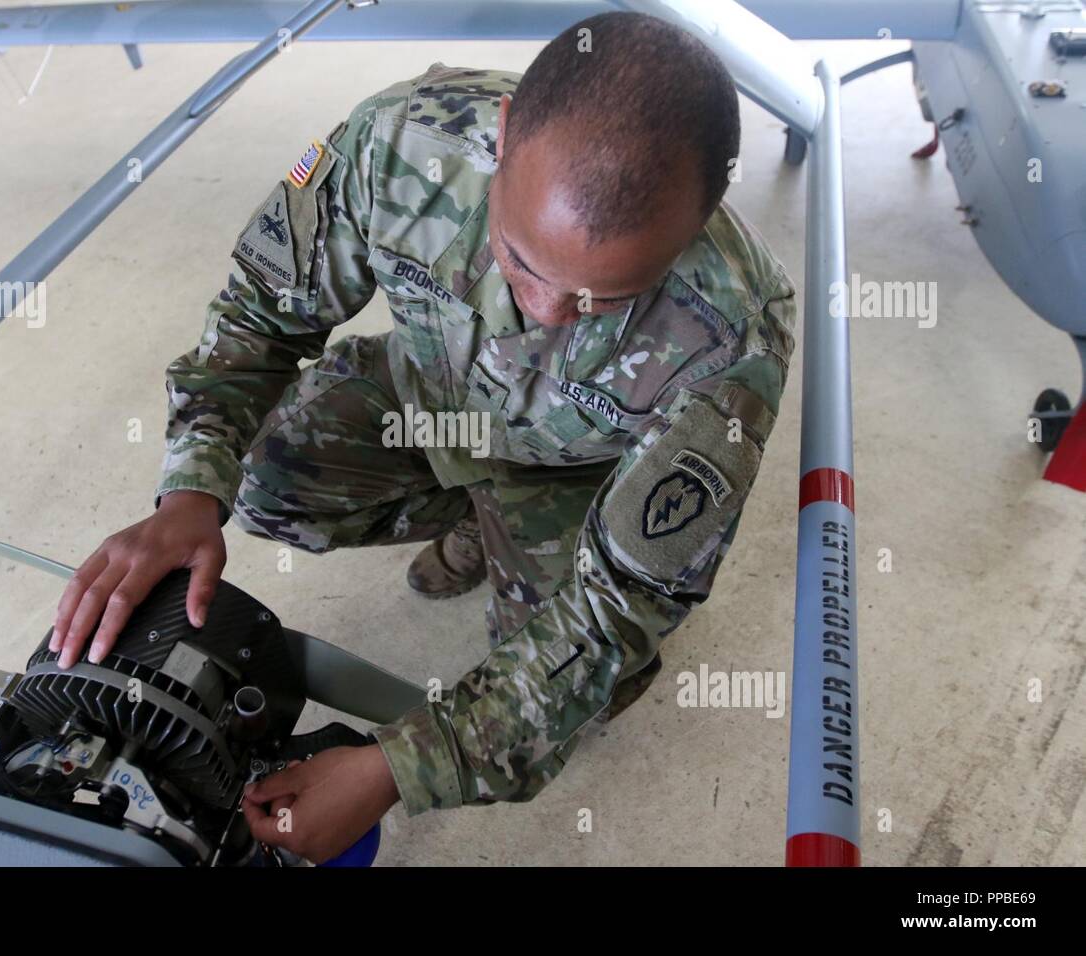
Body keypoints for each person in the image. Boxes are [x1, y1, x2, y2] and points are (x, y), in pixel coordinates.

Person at [49, 11, 797, 863]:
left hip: (579, 477)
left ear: (699, 225)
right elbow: (258, 317)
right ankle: (474, 516)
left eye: (605, 298)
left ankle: (506, 527)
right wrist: (189, 489)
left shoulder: (732, 338)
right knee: (263, 477)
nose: (546, 313)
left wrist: (397, 767)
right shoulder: (400, 142)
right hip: (430, 400)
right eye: (520, 259)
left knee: (581, 689)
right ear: (505, 134)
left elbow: (619, 610)